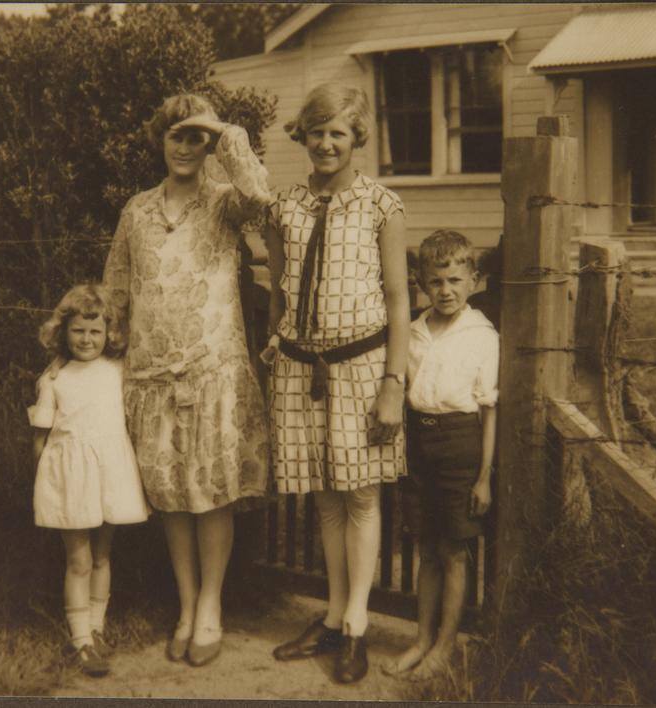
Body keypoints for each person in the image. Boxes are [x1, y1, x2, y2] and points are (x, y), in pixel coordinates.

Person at [103, 93, 270, 667]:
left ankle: (211, 608)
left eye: (196, 137)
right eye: (176, 134)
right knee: (171, 497)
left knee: (211, 494)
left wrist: (223, 133)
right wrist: (108, 355)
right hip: (150, 377)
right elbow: (117, 287)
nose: (184, 146)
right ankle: (186, 605)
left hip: (211, 373)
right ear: (161, 139)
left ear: (209, 144)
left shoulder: (225, 202)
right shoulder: (136, 210)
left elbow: (262, 197)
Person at [262, 84, 410, 683]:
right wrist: (275, 346)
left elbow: (398, 300)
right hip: (300, 369)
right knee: (324, 495)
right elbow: (279, 292)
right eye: (317, 132)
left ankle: (356, 625)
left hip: (363, 368)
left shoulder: (382, 206)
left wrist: (394, 382)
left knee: (362, 496)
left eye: (338, 133)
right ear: (303, 135)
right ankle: (330, 617)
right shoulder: (283, 207)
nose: (326, 143)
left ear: (357, 139)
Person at [381, 229, 498, 680]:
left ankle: (445, 647)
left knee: (453, 551)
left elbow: (489, 409)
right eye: (436, 282)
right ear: (421, 284)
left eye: (454, 280)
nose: (445, 290)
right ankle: (421, 640)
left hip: (460, 443)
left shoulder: (481, 335)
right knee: (426, 548)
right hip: (420, 443)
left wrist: (483, 476)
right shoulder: (412, 332)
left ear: (473, 280)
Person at [29, 284, 150, 678]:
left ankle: (96, 628)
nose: (86, 339)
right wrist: (46, 489)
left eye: (95, 331)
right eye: (78, 330)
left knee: (102, 556)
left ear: (108, 333)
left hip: (109, 472)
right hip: (71, 477)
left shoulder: (118, 372)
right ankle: (80, 640)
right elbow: (40, 438)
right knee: (79, 560)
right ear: (63, 331)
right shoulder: (54, 378)